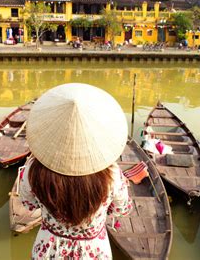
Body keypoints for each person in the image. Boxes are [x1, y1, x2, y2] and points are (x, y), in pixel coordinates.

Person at [19, 83, 132, 259]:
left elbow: (29, 204)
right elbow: (120, 209)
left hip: (49, 250)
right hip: (93, 252)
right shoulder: (112, 175)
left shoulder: (32, 171)